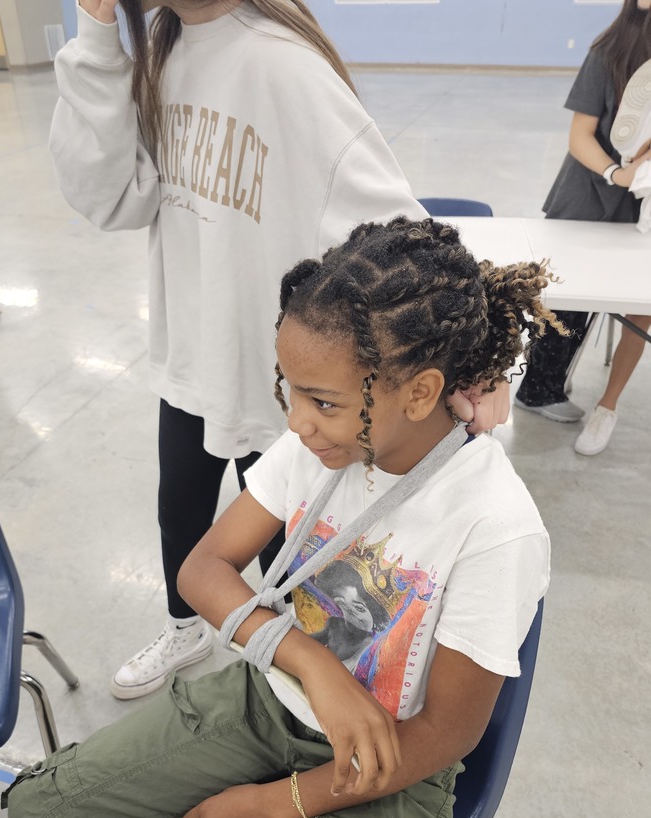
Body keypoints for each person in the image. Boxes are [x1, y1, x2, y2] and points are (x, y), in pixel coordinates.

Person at [4, 216, 555, 818]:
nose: (296, 422)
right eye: (288, 391)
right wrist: (314, 665)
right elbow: (202, 570)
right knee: (40, 813)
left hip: (386, 767)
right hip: (268, 703)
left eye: (322, 401)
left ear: (420, 392)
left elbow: (446, 735)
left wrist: (276, 806)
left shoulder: (495, 524)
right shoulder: (321, 447)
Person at [51, 0, 507, 701]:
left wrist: (477, 360)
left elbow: (401, 234)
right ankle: (186, 630)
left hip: (283, 382)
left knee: (293, 553)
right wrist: (95, 35)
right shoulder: (162, 53)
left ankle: (297, 683)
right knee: (181, 516)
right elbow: (110, 199)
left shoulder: (282, 66)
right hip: (192, 358)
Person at [513, 0, 651, 456]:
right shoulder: (608, 52)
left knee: (638, 305)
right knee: (567, 301)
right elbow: (580, 136)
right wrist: (617, 173)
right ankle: (539, 390)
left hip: (641, 207)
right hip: (589, 195)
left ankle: (602, 405)